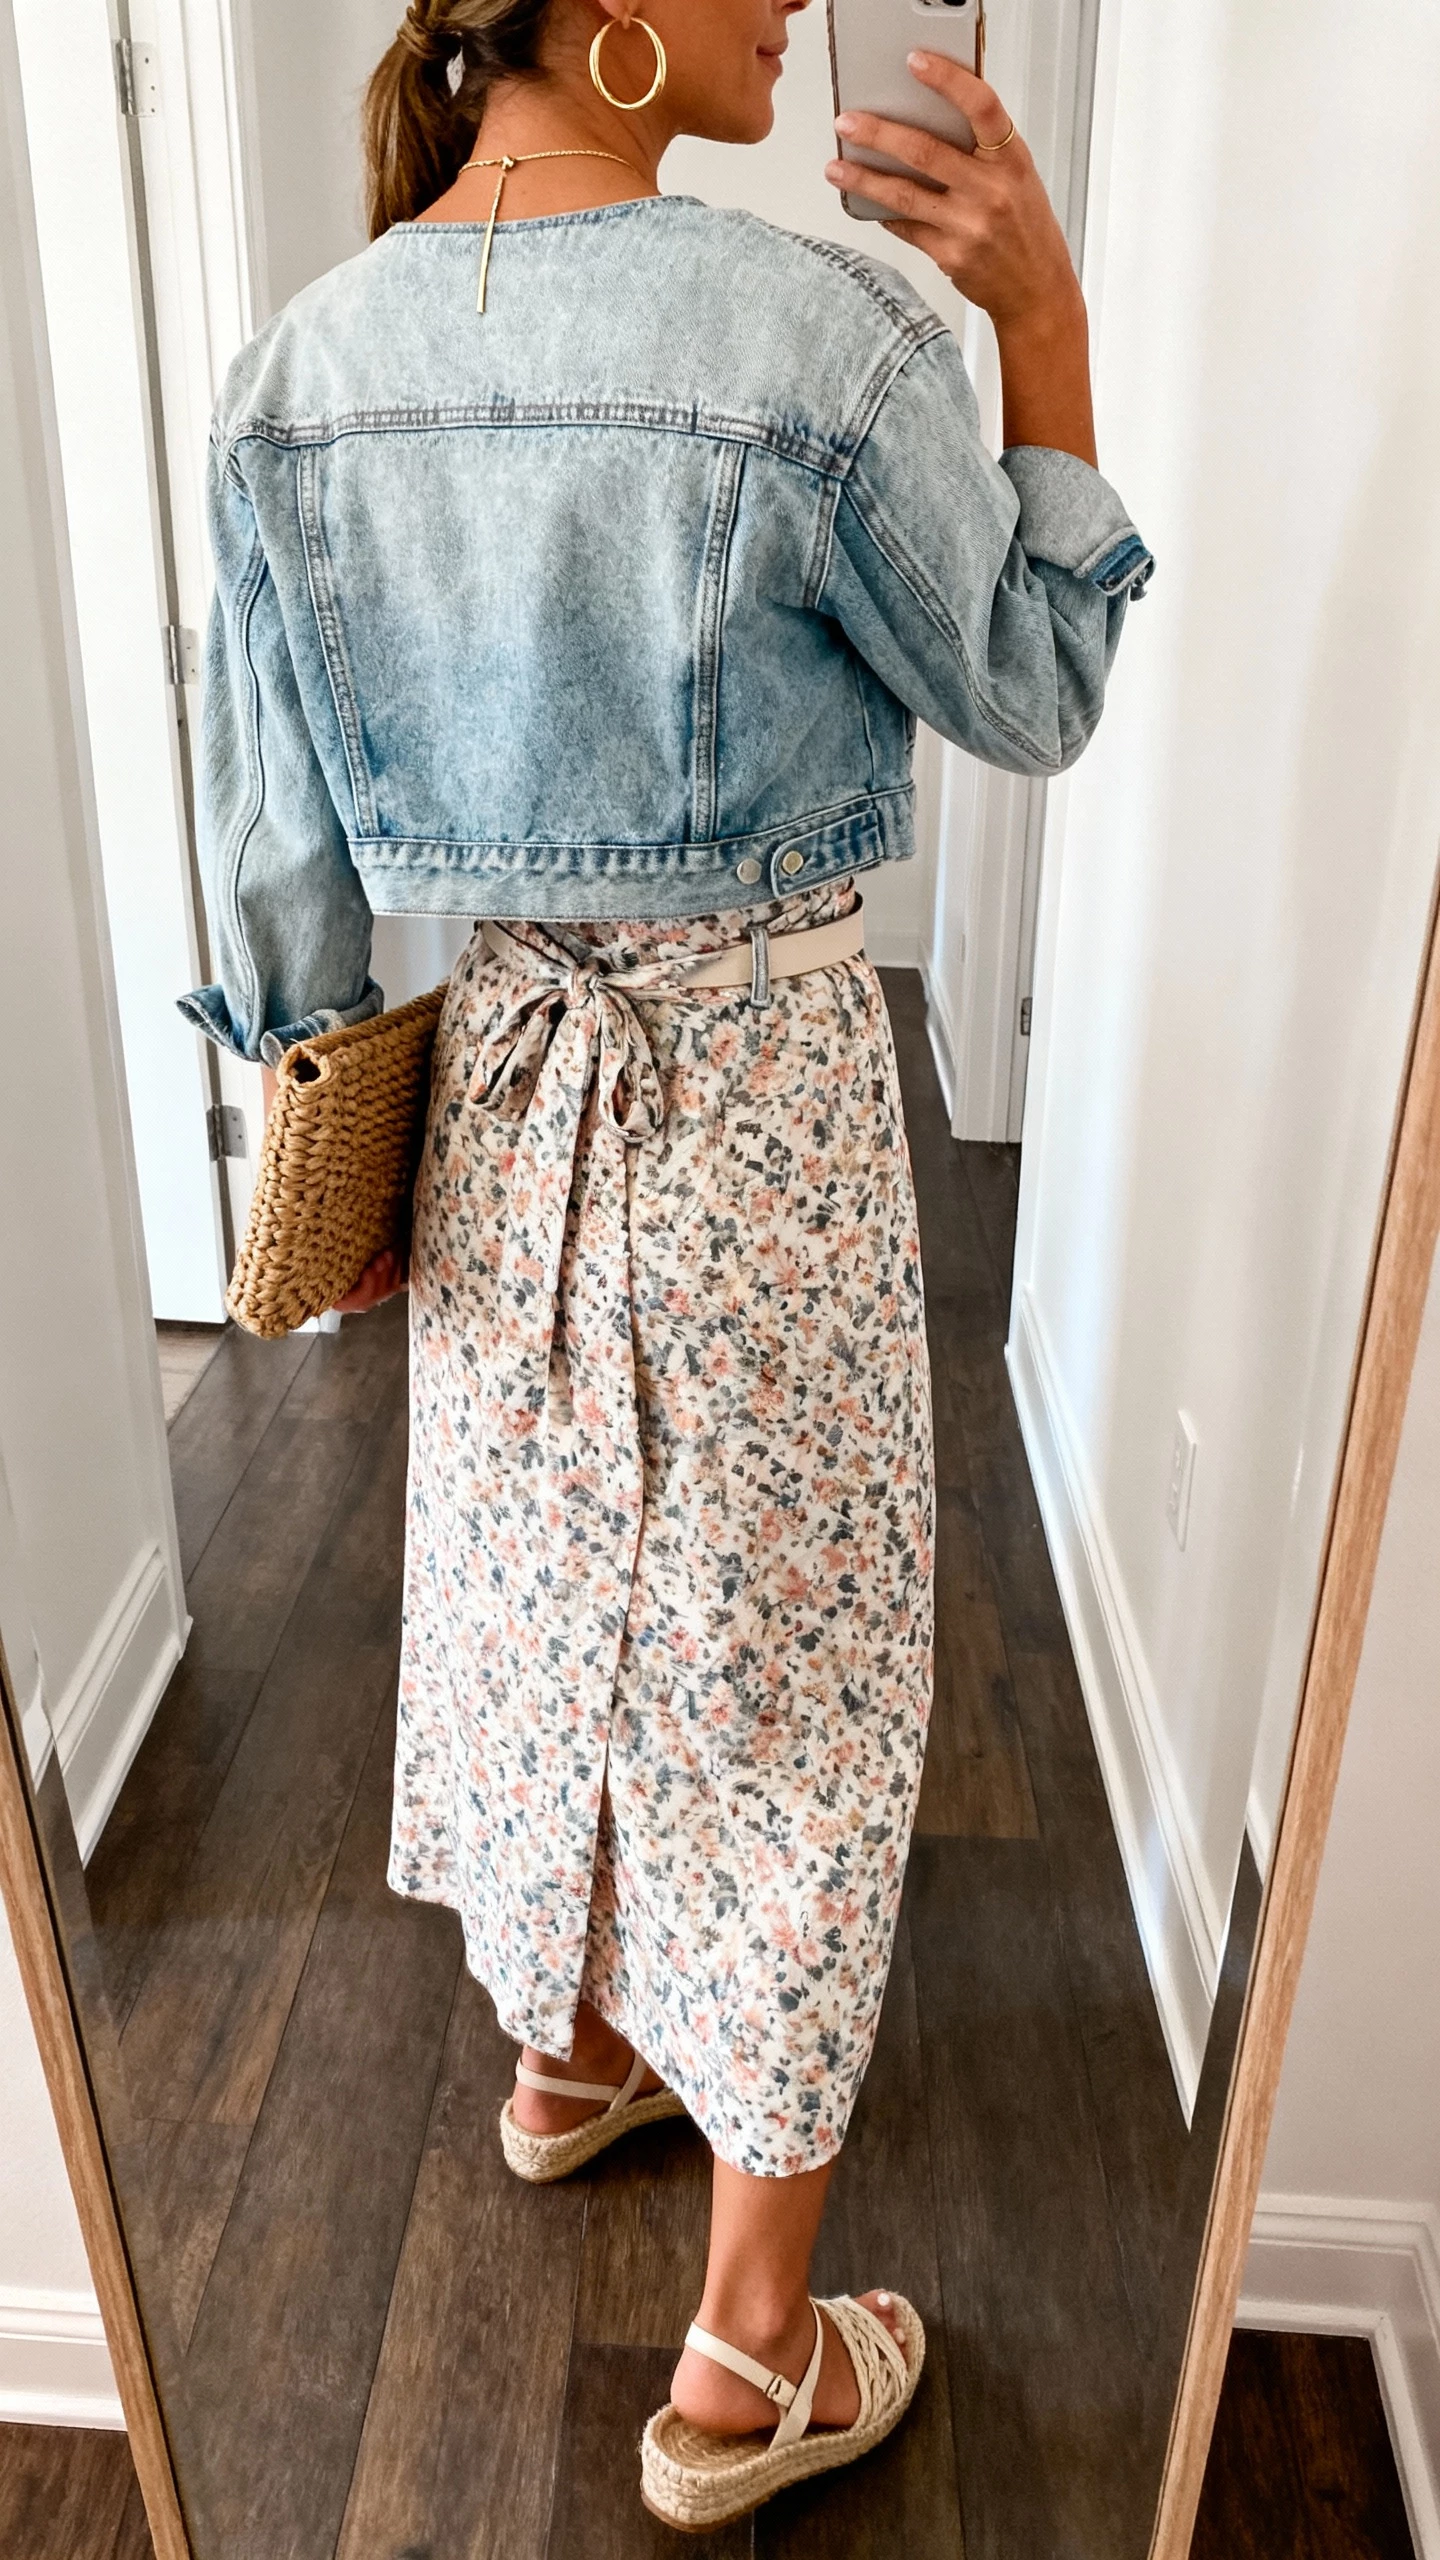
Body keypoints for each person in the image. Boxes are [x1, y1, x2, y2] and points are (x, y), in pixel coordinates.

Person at [178, 0, 1150, 2528]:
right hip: (757, 1112)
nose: (792, 9)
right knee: (787, 1678)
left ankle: (574, 2041)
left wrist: (322, 1120)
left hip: (504, 1095)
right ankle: (743, 2353)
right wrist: (1043, 326)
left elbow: (275, 853)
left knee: (543, 1598)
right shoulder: (825, 339)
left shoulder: (298, 376)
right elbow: (1037, 684)